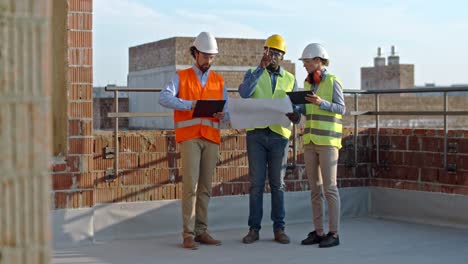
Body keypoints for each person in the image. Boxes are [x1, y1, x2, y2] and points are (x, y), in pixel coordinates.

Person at [159, 32, 228, 250]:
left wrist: (222, 115)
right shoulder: (181, 77)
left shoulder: (219, 80)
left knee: (206, 187)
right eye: (205, 56)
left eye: (212, 57)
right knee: (190, 186)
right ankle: (188, 234)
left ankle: (201, 231)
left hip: (211, 137)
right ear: (195, 53)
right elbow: (164, 97)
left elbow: (225, 110)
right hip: (189, 137)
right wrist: (189, 104)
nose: (208, 60)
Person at [238, 34, 299, 244]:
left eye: (276, 53)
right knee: (255, 184)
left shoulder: (290, 79)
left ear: (282, 56)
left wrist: (296, 115)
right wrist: (259, 69)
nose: (272, 56)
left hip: (279, 136)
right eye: (269, 52)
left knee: (278, 184)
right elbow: (244, 93)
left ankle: (279, 229)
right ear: (264, 52)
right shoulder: (253, 73)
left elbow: (297, 106)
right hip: (256, 134)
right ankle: (253, 229)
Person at [290, 43, 345, 248]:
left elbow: (342, 108)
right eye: (304, 61)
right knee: (315, 189)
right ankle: (319, 232)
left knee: (330, 189)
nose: (304, 65)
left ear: (318, 61)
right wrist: (296, 114)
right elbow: (307, 111)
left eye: (306, 61)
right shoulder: (306, 84)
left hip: (329, 143)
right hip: (310, 141)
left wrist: (321, 102)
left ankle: (334, 233)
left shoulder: (333, 81)